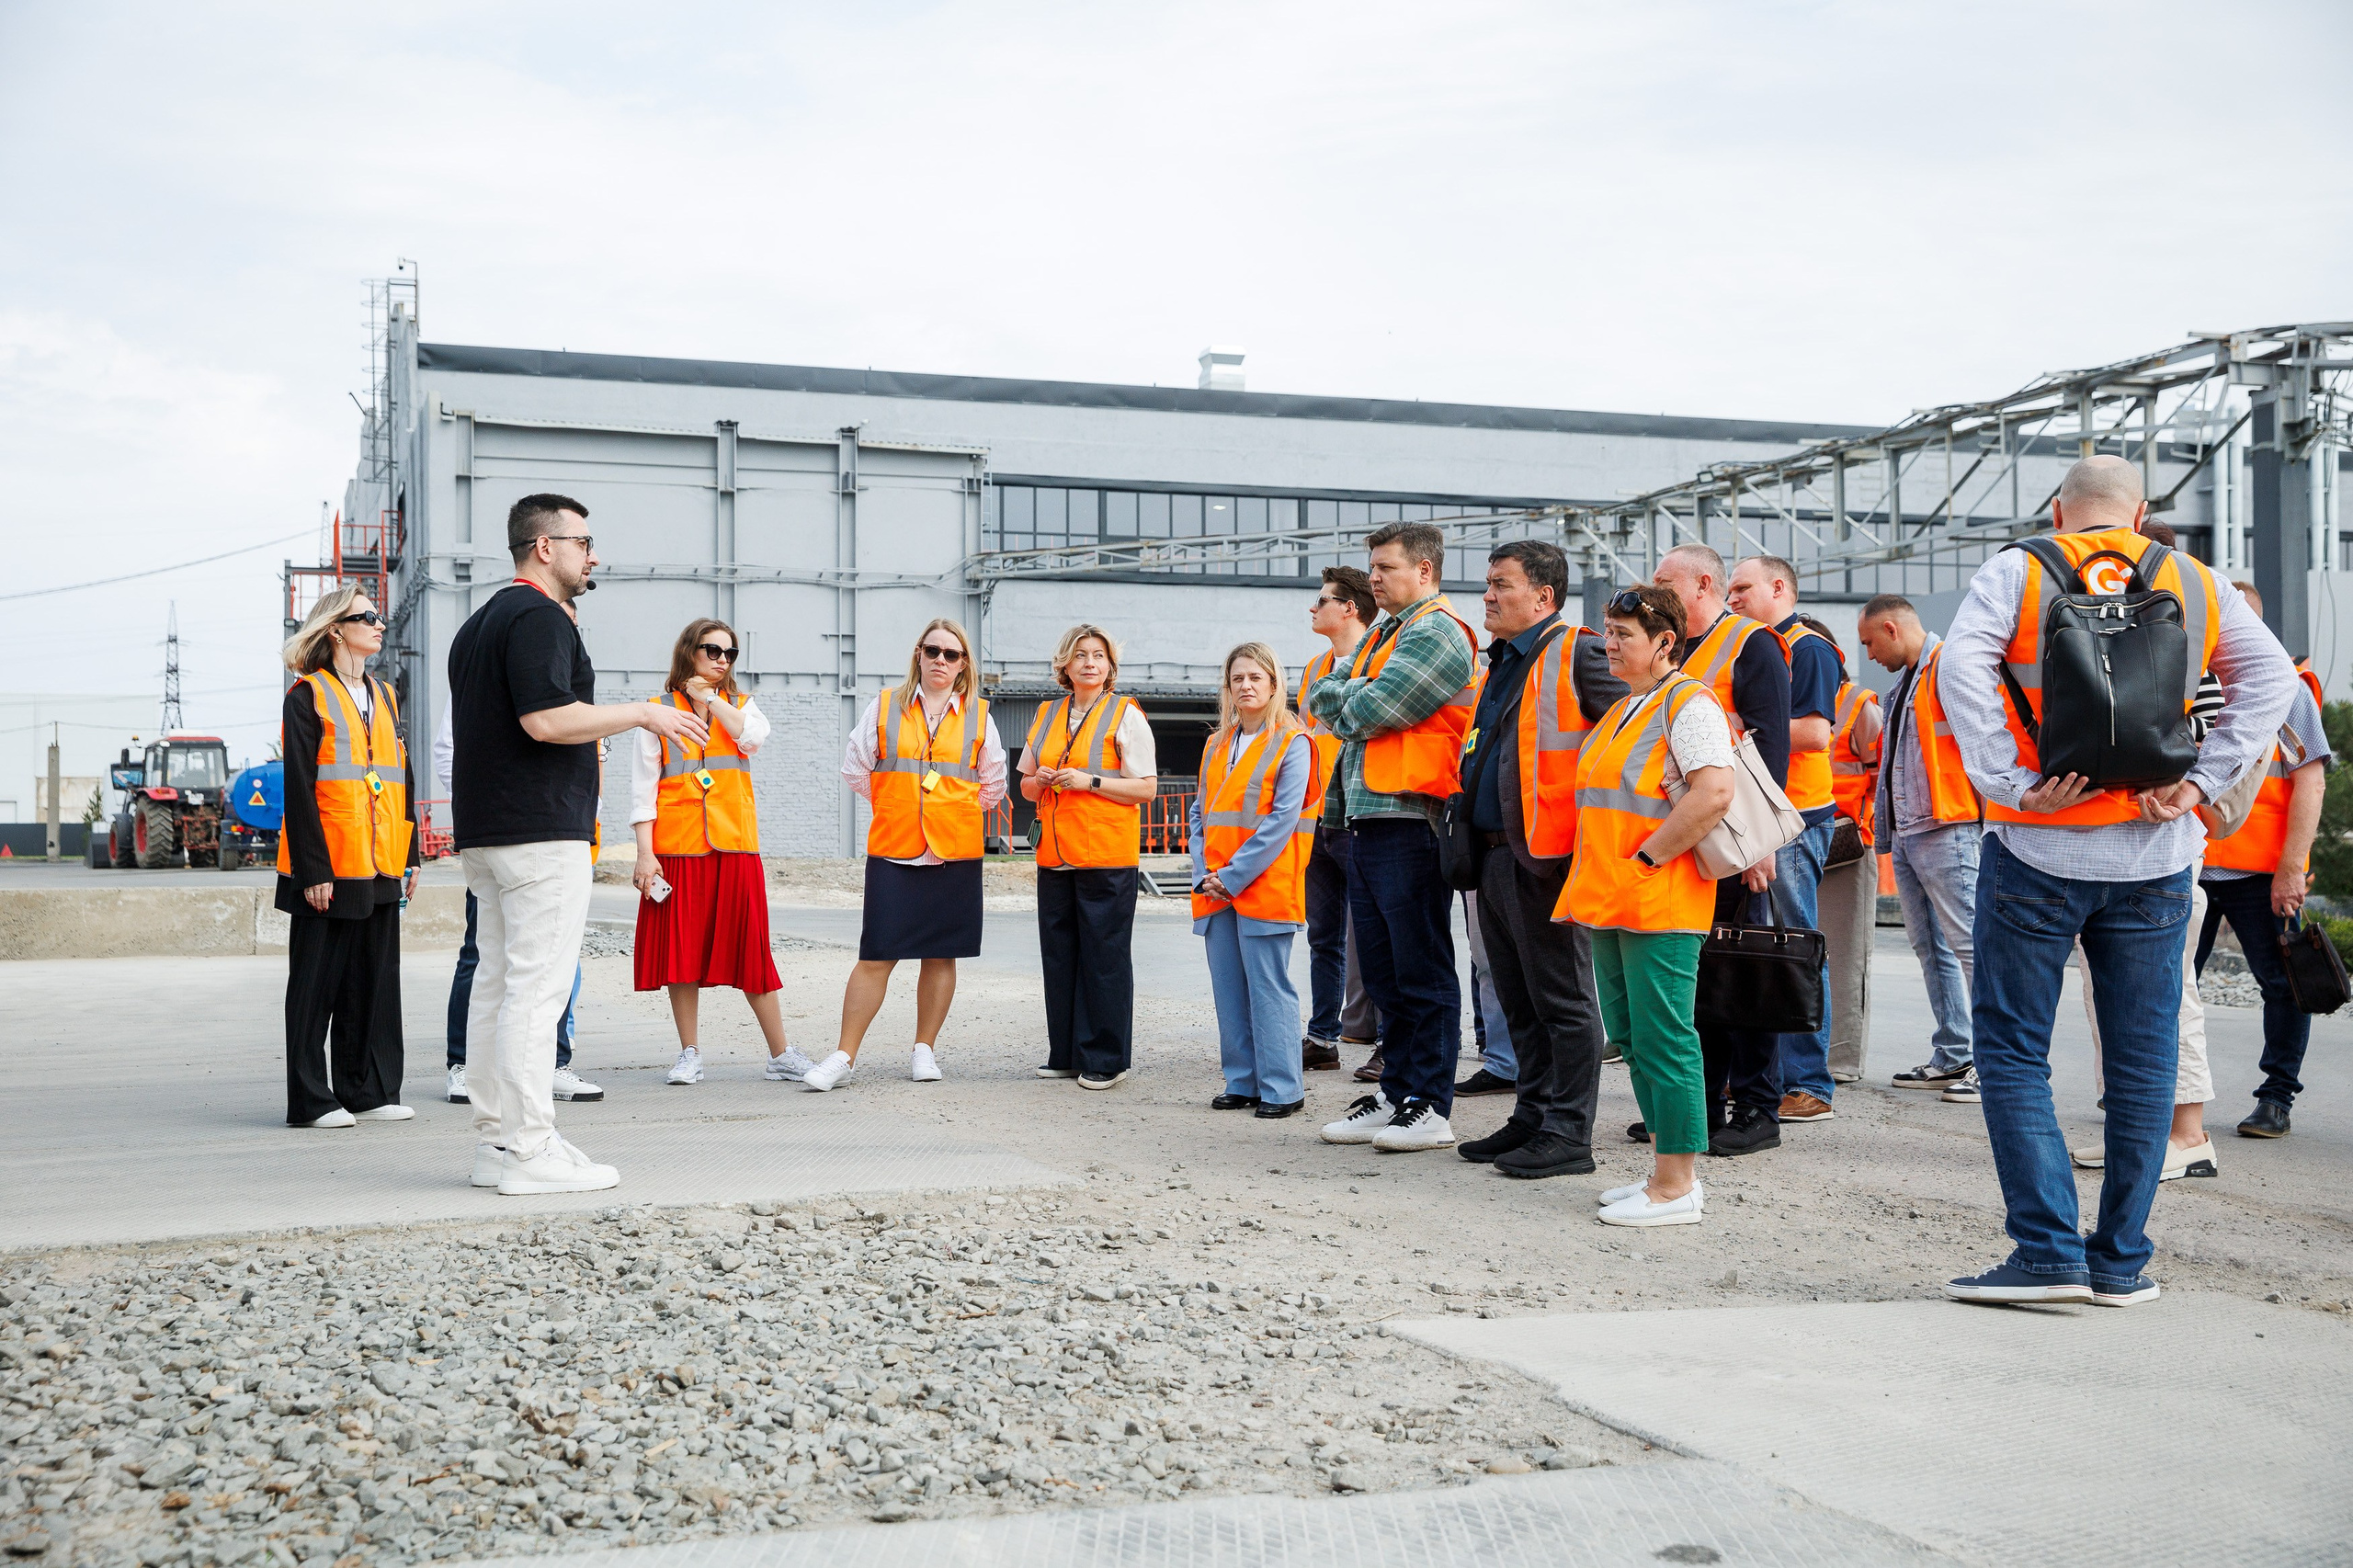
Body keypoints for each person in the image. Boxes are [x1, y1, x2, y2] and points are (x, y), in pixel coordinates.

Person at [1938, 455, 2293, 1307]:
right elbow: (2272, 679)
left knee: (2013, 1050)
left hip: (2038, 845)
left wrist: (2008, 781)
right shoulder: (2195, 579)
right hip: (2157, 853)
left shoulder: (2018, 571)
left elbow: (1961, 668)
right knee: (2144, 1058)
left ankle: (2047, 1255)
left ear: (2060, 510)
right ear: (2140, 515)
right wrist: (2202, 783)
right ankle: (2121, 1261)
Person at [449, 493, 705, 1196]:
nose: (592, 556)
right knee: (537, 989)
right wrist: (645, 713)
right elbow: (545, 720)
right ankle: (530, 1148)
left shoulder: (477, 625)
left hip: (490, 833)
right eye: (583, 543)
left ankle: (498, 1142)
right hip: (539, 832)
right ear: (544, 546)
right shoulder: (539, 616)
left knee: (498, 984)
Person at [1559, 585, 1735, 1226]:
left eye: (1623, 634)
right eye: (1607, 632)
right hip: (1614, 897)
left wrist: (1648, 859)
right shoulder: (1630, 707)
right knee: (1634, 1038)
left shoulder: (1689, 704)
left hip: (1657, 897)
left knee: (1665, 1038)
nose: (1609, 644)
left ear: (1665, 642)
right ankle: (1663, 1167)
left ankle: (1678, 1185)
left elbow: (1714, 792)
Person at [1453, 539, 1627, 1179]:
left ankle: (1568, 1133)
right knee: (1520, 1000)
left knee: (1563, 1000)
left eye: (1502, 584)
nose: (1488, 595)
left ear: (1544, 596)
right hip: (1496, 858)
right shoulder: (1503, 661)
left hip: (1549, 859)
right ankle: (1532, 1116)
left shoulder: (1578, 652)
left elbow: (1634, 735)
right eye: (1490, 583)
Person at [1307, 521, 1482, 1154]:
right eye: (1373, 567)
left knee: (1420, 968)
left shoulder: (1437, 631)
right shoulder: (1386, 632)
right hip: (1368, 818)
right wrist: (1350, 694)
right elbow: (1326, 696)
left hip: (1412, 820)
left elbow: (1372, 708)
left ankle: (1429, 1103)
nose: (1373, 578)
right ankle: (1397, 1091)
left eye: (1386, 567)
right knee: (1384, 971)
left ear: (1424, 571)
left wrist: (1348, 694)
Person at [819, 618, 1007, 1092]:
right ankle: (843, 1056)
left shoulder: (979, 716)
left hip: (953, 853)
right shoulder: (884, 706)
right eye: (933, 651)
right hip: (894, 849)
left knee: (941, 957)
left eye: (952, 654)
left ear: (963, 664)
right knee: (876, 956)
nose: (941, 660)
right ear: (918, 656)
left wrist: (948, 811)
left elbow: (993, 786)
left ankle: (925, 1049)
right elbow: (855, 769)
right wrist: (898, 805)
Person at [1650, 543, 1790, 1156]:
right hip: (1690, 836)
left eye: (1665, 580)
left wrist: (1760, 844)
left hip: (1734, 838)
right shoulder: (1676, 650)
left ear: (1703, 584)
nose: (1654, 589)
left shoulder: (1750, 644)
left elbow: (1771, 746)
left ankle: (1758, 1108)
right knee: (1699, 976)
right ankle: (1701, 1106)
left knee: (1742, 972)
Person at [630, 619, 805, 1087]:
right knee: (681, 955)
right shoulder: (657, 712)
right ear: (689, 651)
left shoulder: (741, 707)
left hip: (735, 846)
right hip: (678, 849)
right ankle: (689, 1053)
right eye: (712, 650)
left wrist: (710, 699)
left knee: (752, 950)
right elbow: (643, 792)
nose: (722, 660)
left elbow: (753, 739)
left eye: (730, 653)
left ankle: (781, 1054)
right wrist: (645, 855)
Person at [276, 585, 420, 1130]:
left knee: (375, 981)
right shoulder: (307, 696)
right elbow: (299, 788)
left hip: (379, 859)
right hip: (329, 866)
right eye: (369, 616)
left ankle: (369, 1091)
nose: (381, 624)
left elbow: (400, 778)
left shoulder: (385, 695)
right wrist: (312, 870)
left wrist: (410, 856)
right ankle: (311, 1100)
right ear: (336, 629)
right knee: (316, 986)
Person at [2198, 581, 2331, 1142]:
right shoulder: (2186, 680)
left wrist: (2292, 868)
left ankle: (2276, 1098)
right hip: (2188, 861)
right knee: (2164, 984)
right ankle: (2157, 1092)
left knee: (2282, 984)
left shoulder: (2287, 690)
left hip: (2259, 869)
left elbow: (2310, 782)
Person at [435, 704, 601, 1107]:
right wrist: (481, 805)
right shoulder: (490, 676)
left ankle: (553, 1062)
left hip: (564, 831)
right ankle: (465, 1065)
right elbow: (447, 750)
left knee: (556, 959)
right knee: (483, 956)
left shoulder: (569, 689)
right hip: (504, 832)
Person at [1725, 554, 1842, 1125]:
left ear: (1779, 588)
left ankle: (1808, 1083)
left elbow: (1816, 732)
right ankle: (1766, 1075)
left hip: (1793, 820)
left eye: (1742, 588)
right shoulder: (1754, 644)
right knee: (1758, 949)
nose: (1732, 598)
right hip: (1765, 816)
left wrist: (1733, 727)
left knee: (1791, 948)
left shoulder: (1806, 647)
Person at [1856, 596, 1984, 1103]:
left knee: (1972, 946)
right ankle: (1954, 1055)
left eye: (1870, 642)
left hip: (1949, 826)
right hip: (1912, 829)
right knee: (1931, 946)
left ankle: (1995, 1066)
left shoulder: (1949, 667)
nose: (1869, 654)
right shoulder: (1906, 683)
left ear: (1891, 628)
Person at [1019, 624, 1157, 1089]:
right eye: (1081, 654)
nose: (1090, 662)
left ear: (1110, 665)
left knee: (1105, 959)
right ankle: (1066, 1053)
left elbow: (1146, 789)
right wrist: (1040, 779)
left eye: (1099, 655)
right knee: (1059, 959)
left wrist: (1090, 782)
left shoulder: (1126, 713)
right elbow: (1026, 786)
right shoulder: (1047, 714)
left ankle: (1106, 1058)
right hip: (1055, 856)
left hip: (1107, 857)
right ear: (1065, 664)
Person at [1191, 642, 1320, 1118]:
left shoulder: (1293, 741)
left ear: (1273, 684)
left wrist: (1233, 876)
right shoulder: (1216, 744)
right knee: (1229, 989)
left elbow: (1283, 820)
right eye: (1237, 678)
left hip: (1263, 884)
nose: (1245, 686)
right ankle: (1242, 1081)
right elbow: (1200, 813)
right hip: (1216, 886)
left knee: (1268, 988)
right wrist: (1204, 872)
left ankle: (1283, 1088)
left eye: (1255, 678)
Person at [1299, 566, 1383, 1077]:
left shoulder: (1381, 657)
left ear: (1350, 608)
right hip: (1319, 818)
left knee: (1375, 934)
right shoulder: (1315, 668)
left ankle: (1389, 1041)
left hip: (1361, 813)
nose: (1313, 608)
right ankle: (1322, 1038)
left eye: (1323, 600)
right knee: (1323, 936)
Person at [1824, 665, 1882, 1085]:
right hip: (1797, 841)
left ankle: (1841, 1060)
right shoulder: (1786, 700)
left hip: (1848, 844)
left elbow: (1883, 776)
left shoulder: (1857, 705)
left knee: (1845, 955)